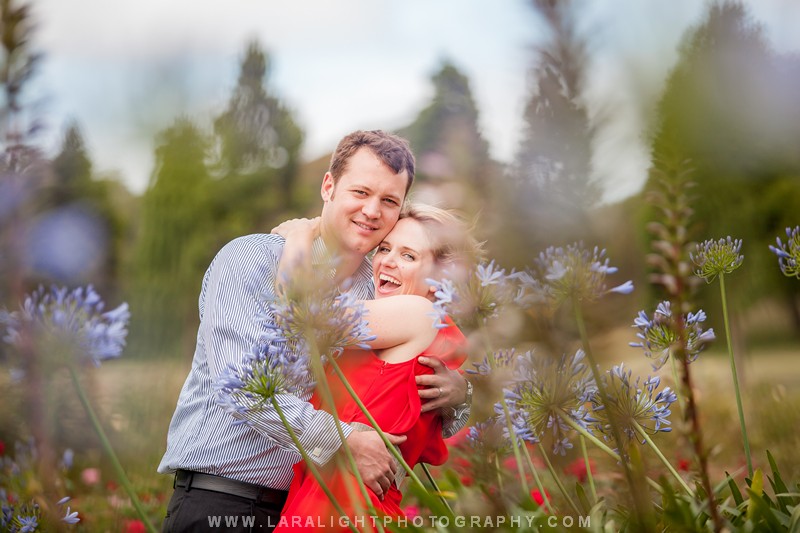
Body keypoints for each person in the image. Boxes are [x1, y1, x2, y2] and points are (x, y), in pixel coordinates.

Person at [158, 130, 470, 533]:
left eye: (389, 201)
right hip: (221, 499)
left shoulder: (374, 289)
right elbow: (240, 387)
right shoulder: (250, 260)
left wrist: (461, 395)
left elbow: (395, 390)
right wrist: (343, 439)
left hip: (310, 508)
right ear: (329, 186)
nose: (372, 211)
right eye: (361, 192)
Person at [271, 204, 482, 532]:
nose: (387, 261)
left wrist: (300, 236)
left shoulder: (419, 313)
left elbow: (305, 311)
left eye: (409, 256)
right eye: (384, 248)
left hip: (347, 508)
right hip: (333, 503)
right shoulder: (397, 333)